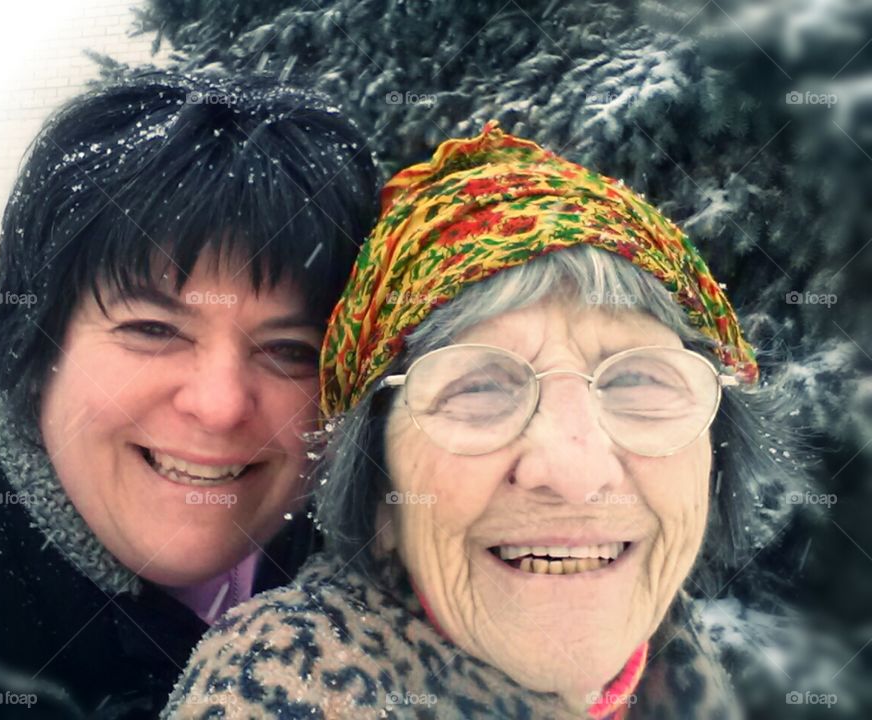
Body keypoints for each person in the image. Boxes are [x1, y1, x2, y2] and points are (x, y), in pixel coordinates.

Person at [162, 122, 804, 719]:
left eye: (638, 381)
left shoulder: (677, 663)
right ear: (380, 494)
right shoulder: (281, 691)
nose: (575, 471)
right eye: (478, 389)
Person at [0, 69, 379, 718]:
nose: (219, 406)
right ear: (37, 341)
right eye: (154, 330)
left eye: (288, 350)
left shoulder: (388, 548)